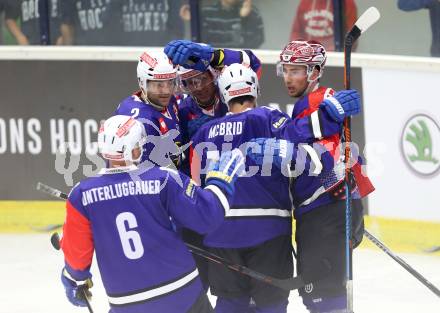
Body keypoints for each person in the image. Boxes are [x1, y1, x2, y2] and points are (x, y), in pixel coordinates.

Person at [189, 63, 360, 313]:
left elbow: (196, 183)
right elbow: (299, 134)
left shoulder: (203, 133)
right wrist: (330, 113)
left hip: (220, 232)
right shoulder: (268, 118)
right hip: (267, 229)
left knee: (231, 302)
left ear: (224, 95)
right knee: (271, 304)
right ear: (255, 89)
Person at [59, 114, 245, 313]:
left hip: (127, 303)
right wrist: (221, 182)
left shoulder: (81, 195)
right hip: (182, 294)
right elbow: (207, 216)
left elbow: (77, 260)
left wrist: (73, 277)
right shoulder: (164, 179)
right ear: (136, 148)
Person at [270, 39, 374, 313]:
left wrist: (335, 184)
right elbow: (347, 154)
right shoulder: (317, 100)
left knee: (323, 296)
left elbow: (329, 154)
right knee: (327, 292)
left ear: (314, 72)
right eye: (286, 70)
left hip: (324, 212)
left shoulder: (317, 101)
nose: (288, 78)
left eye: (296, 71)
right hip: (331, 209)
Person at [114, 49, 183, 168]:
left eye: (170, 82)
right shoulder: (142, 121)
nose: (166, 91)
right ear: (142, 83)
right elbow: (148, 177)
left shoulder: (167, 100)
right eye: (158, 85)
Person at [290, 0, 357, 51]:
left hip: (334, 59)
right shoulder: (305, 2)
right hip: (308, 58)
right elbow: (296, 33)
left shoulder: (347, 3)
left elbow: (352, 38)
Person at [118, 0, 187, 46]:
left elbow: (178, 31)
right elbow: (111, 29)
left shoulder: (173, 2)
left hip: (162, 57)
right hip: (127, 56)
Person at [200, 0, 264, 48]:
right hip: (214, 61)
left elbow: (257, 41)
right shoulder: (206, 12)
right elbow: (203, 42)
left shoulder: (252, 12)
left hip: (241, 62)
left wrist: (244, 19)